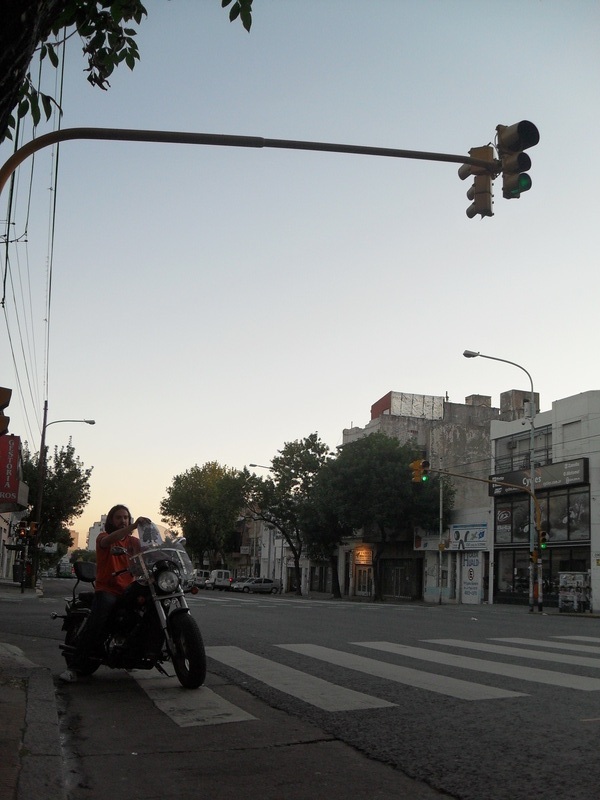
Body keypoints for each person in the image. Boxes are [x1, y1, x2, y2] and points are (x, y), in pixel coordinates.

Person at [60, 505, 151, 682]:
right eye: (118, 517)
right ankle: (74, 667)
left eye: (126, 517)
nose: (123, 520)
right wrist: (133, 527)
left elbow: (149, 552)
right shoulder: (104, 537)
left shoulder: (133, 542)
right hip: (107, 589)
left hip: (128, 589)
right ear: (111, 520)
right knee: (97, 622)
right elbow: (108, 541)